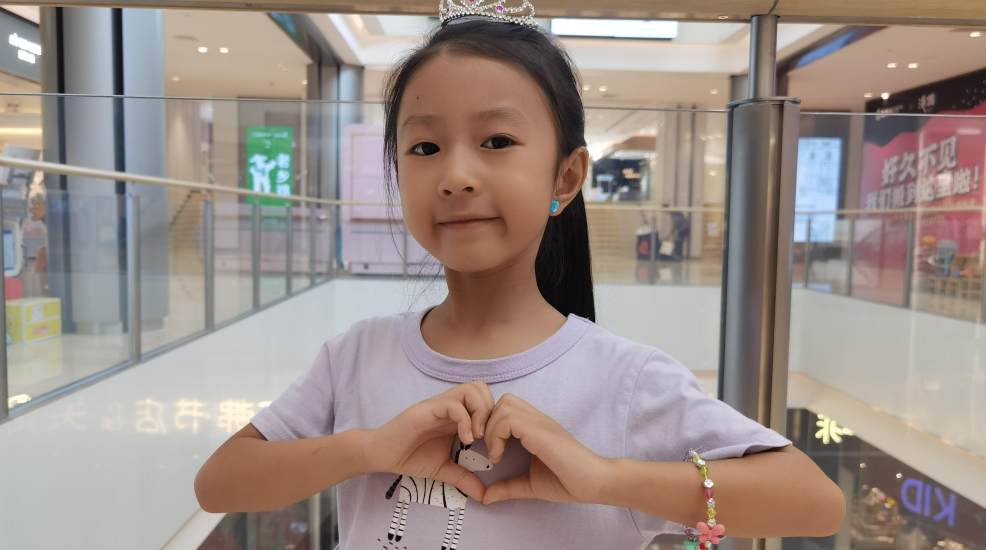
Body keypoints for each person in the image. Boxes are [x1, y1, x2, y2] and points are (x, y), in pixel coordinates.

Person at [194, 13, 845, 550]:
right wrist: (368, 449)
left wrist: (603, 477)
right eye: (424, 148)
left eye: (498, 141)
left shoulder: (625, 381)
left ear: (566, 177)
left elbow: (814, 503)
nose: (456, 176)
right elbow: (219, 483)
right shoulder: (357, 356)